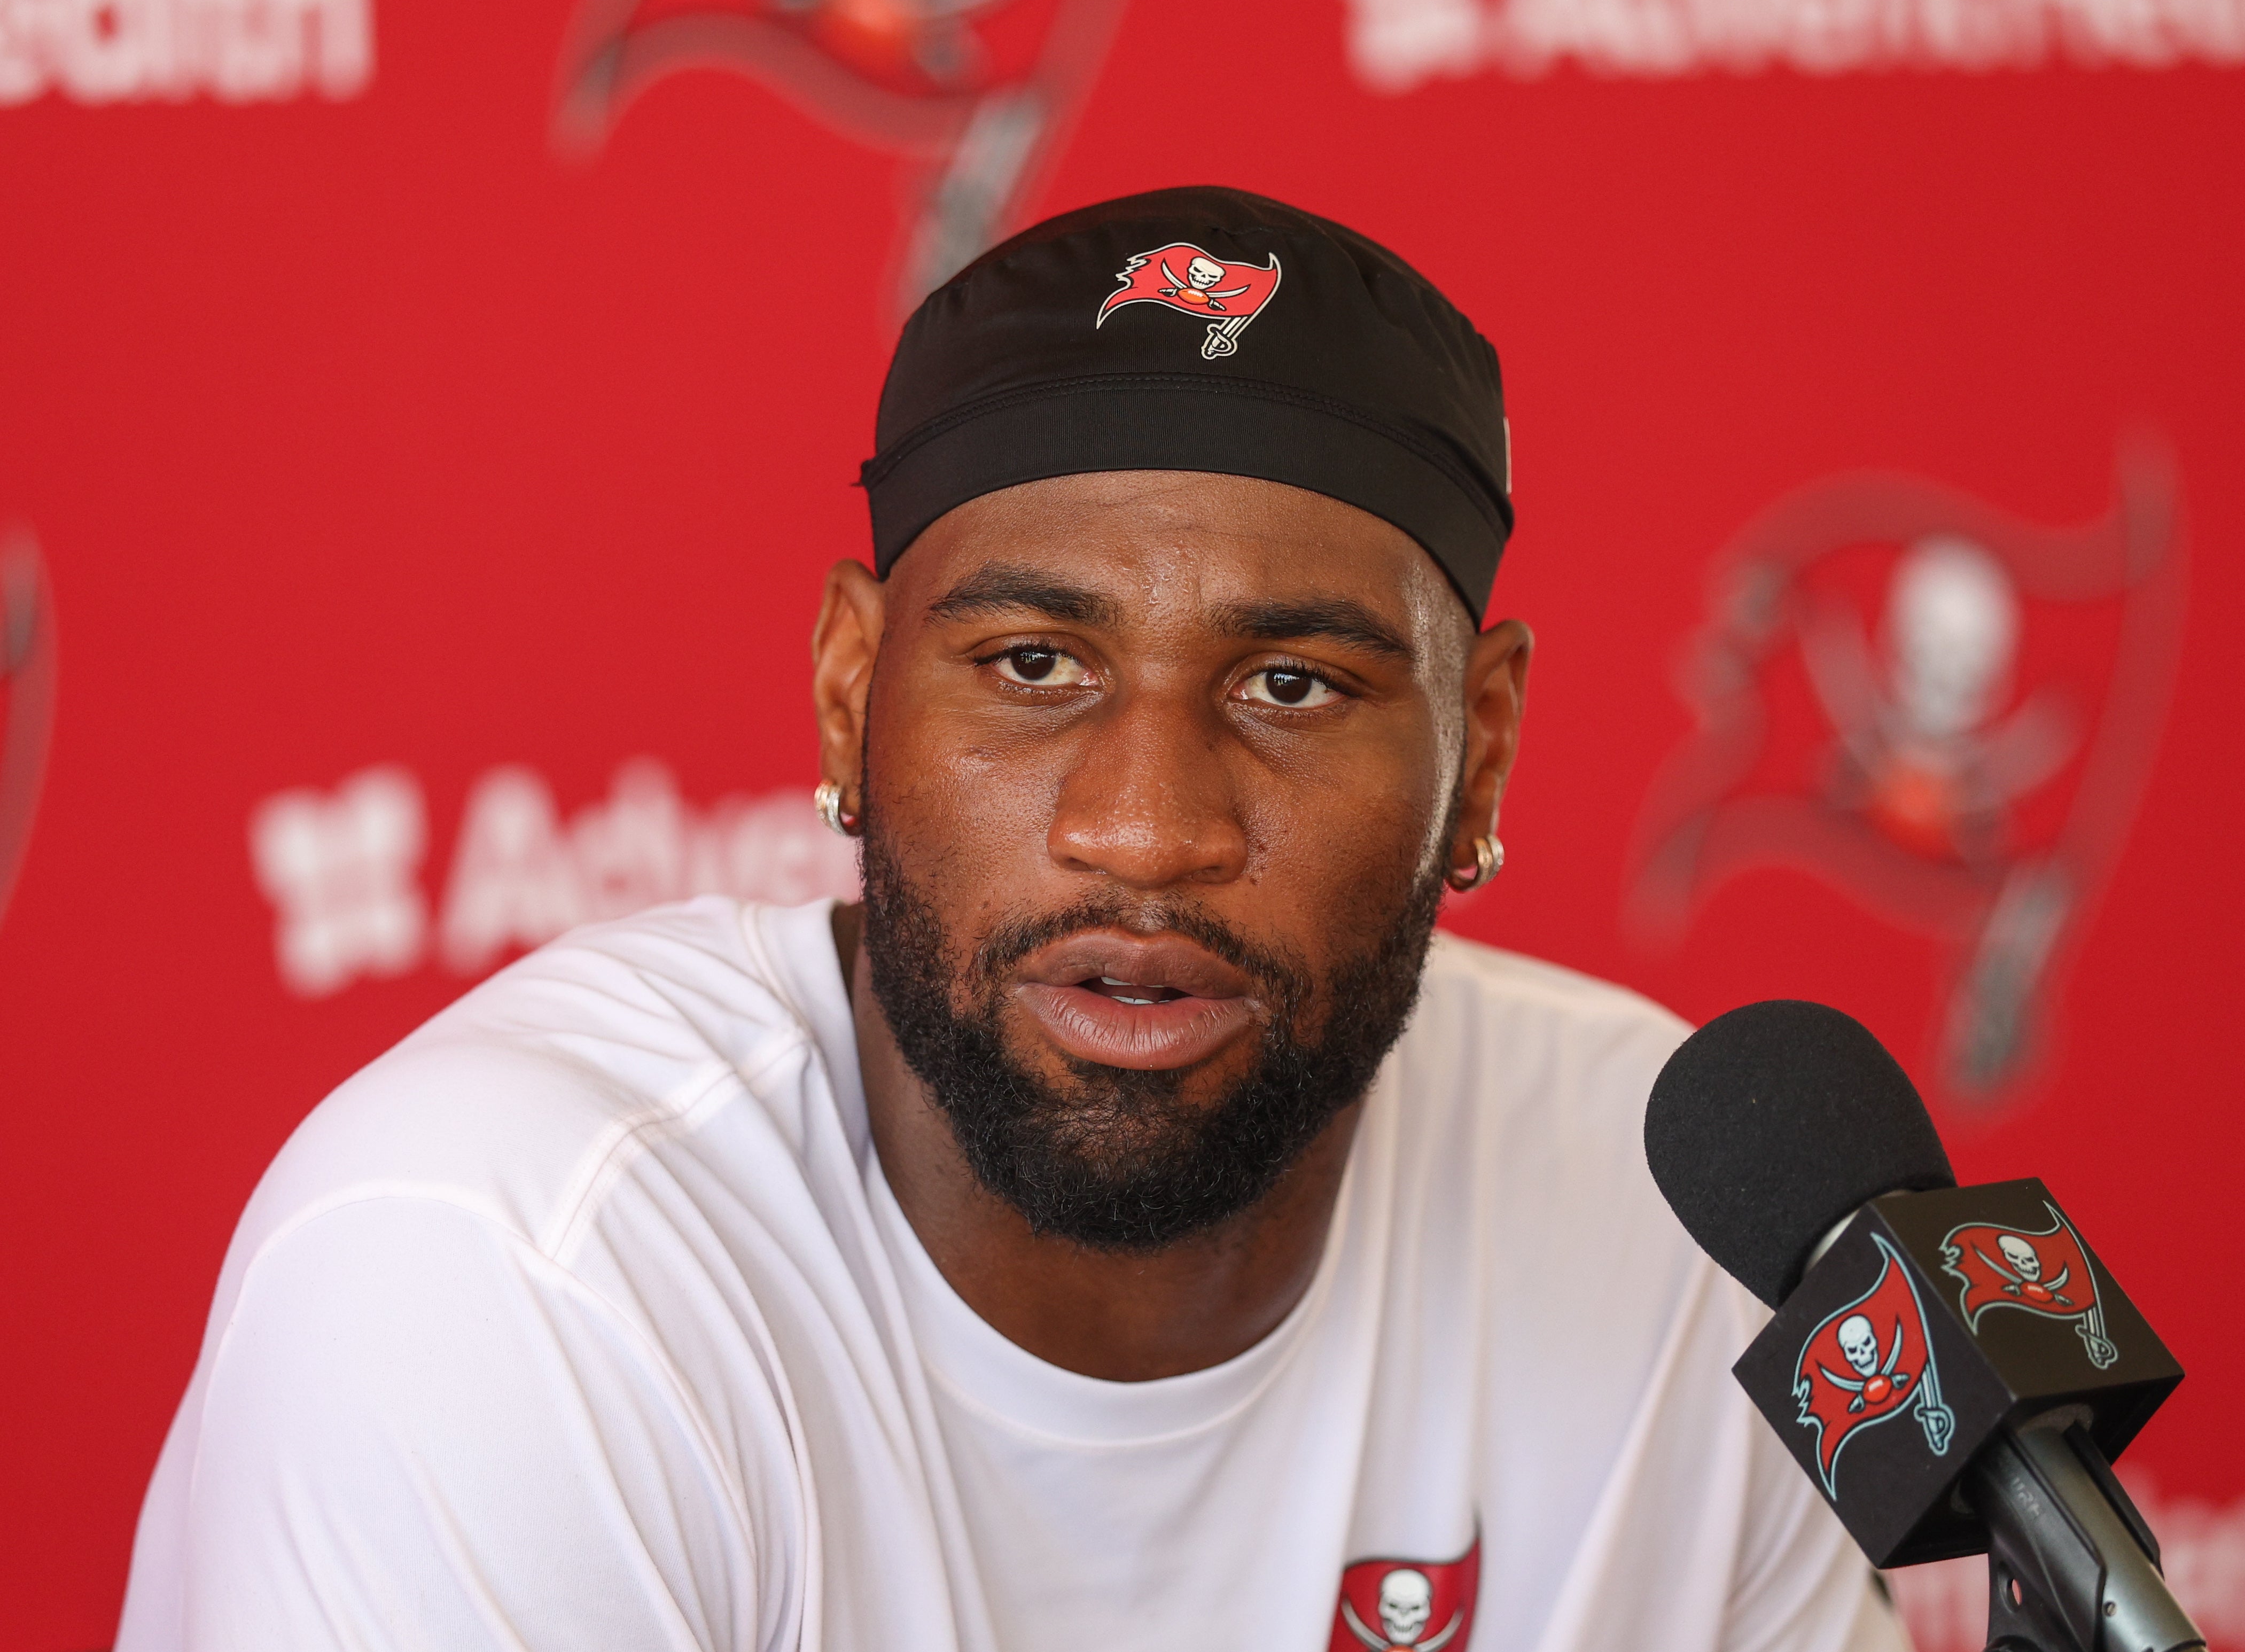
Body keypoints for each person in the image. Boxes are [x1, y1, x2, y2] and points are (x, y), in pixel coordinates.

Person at [116, 188, 1906, 1652]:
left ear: (1483, 745)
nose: (1146, 826)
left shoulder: (1675, 1216)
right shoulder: (513, 1259)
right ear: (847, 695)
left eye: (1290, 683)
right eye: (1033, 665)